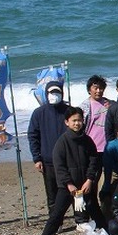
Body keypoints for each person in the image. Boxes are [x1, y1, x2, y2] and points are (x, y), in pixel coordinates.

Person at [33, 108, 105, 235]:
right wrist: (68, 184)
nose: (77, 123)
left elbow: (94, 161)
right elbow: (59, 166)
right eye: (74, 120)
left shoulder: (87, 141)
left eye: (79, 120)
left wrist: (90, 179)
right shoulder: (62, 142)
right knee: (57, 214)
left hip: (85, 184)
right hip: (67, 187)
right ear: (67, 122)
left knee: (95, 211)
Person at [28, 80, 69, 211]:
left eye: (57, 92)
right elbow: (33, 136)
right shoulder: (39, 113)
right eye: (51, 92)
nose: (54, 95)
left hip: (68, 160)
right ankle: (55, 221)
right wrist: (37, 158)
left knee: (72, 189)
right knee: (52, 193)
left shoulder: (69, 111)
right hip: (48, 160)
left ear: (62, 93)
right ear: (46, 94)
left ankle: (79, 219)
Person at [78, 75, 110, 154]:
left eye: (101, 88)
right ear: (89, 90)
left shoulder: (110, 104)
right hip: (91, 147)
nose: (98, 91)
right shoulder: (83, 107)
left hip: (108, 147)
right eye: (95, 88)